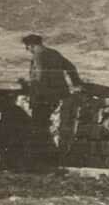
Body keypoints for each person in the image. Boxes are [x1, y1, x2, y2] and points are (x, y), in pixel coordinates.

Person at [20, 33, 82, 163]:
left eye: (27, 47)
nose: (27, 50)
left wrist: (30, 88)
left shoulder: (38, 55)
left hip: (42, 97)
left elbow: (41, 76)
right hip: (56, 96)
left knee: (39, 126)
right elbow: (71, 67)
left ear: (31, 45)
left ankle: (46, 158)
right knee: (43, 125)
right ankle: (48, 157)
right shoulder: (54, 53)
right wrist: (77, 84)